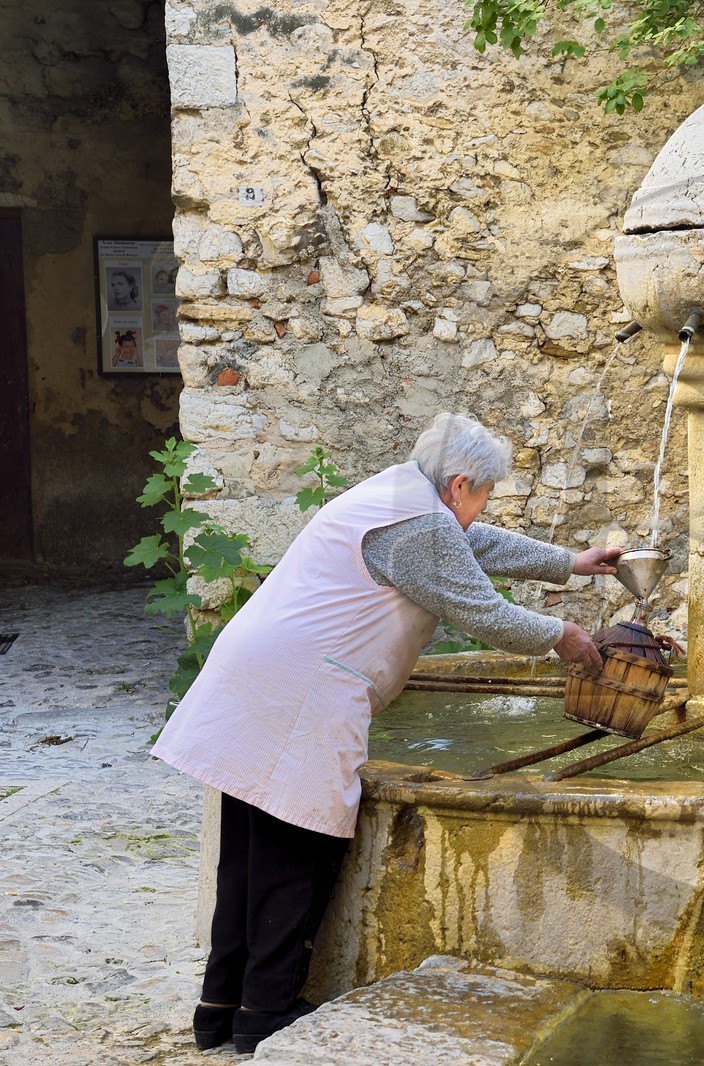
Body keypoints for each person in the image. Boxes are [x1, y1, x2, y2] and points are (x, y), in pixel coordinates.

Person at [150, 412, 620, 1053]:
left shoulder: (403, 494)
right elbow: (479, 607)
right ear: (460, 485)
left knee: (248, 855)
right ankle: (265, 1012)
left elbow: (473, 546)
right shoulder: (420, 524)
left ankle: (220, 1012)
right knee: (299, 850)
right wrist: (561, 635)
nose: (482, 508)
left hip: (260, 673)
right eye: (483, 494)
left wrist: (571, 563)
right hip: (303, 688)